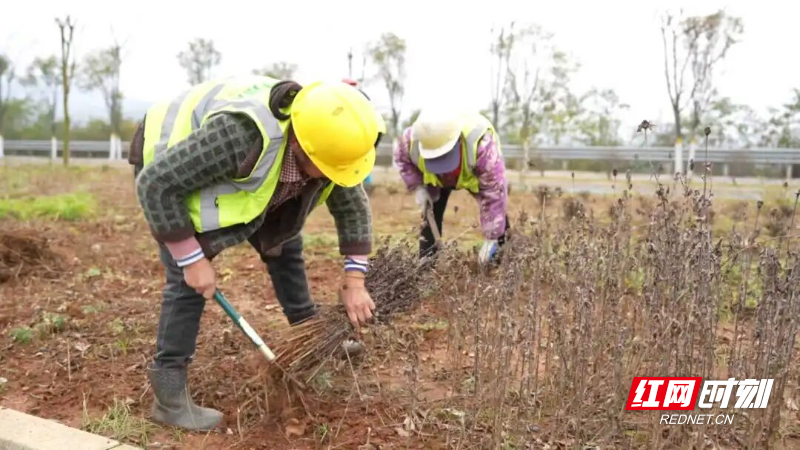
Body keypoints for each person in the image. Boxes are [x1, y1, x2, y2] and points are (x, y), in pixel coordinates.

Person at [128, 75, 384, 431]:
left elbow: (353, 208)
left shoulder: (330, 145)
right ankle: (169, 395)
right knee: (186, 282)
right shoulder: (241, 136)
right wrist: (191, 258)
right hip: (168, 160)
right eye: (328, 169)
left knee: (284, 243)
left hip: (258, 170)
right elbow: (156, 184)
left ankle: (308, 337)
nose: (335, 177)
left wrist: (355, 280)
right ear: (304, 146)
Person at [393, 109, 509, 265]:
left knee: (497, 213)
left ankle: (502, 258)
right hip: (434, 180)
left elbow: (494, 194)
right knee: (430, 212)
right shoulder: (410, 141)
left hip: (472, 173)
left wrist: (492, 238)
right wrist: (418, 187)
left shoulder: (483, 146)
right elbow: (403, 162)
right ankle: (427, 262)